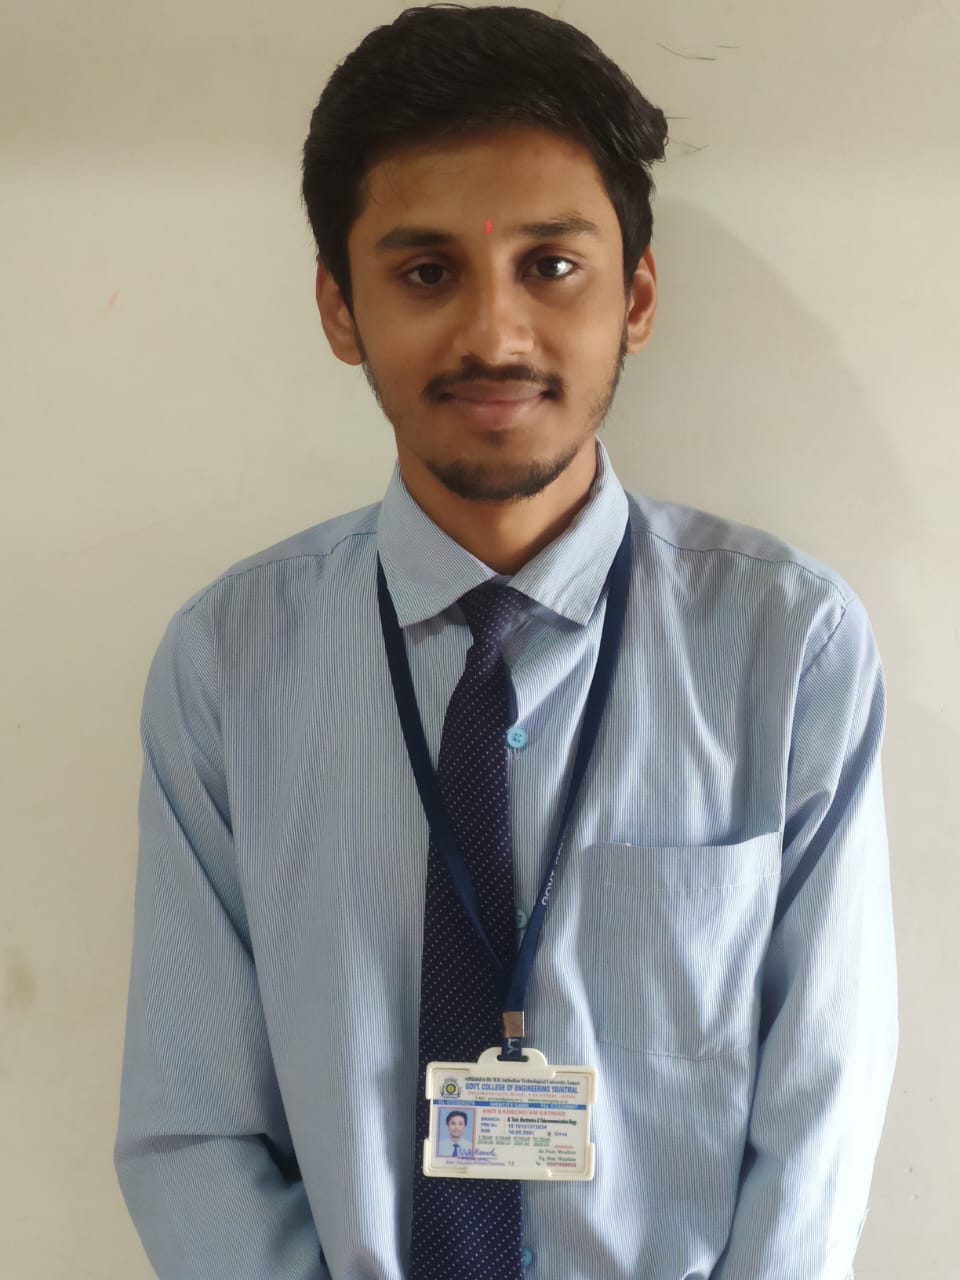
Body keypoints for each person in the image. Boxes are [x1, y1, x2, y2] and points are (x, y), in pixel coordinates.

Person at [113, 5, 898, 1279]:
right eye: (429, 273)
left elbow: (823, 1105)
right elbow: (191, 1123)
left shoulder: (787, 648)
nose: (494, 334)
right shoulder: (226, 666)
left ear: (636, 296)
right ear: (340, 306)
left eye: (551, 265)